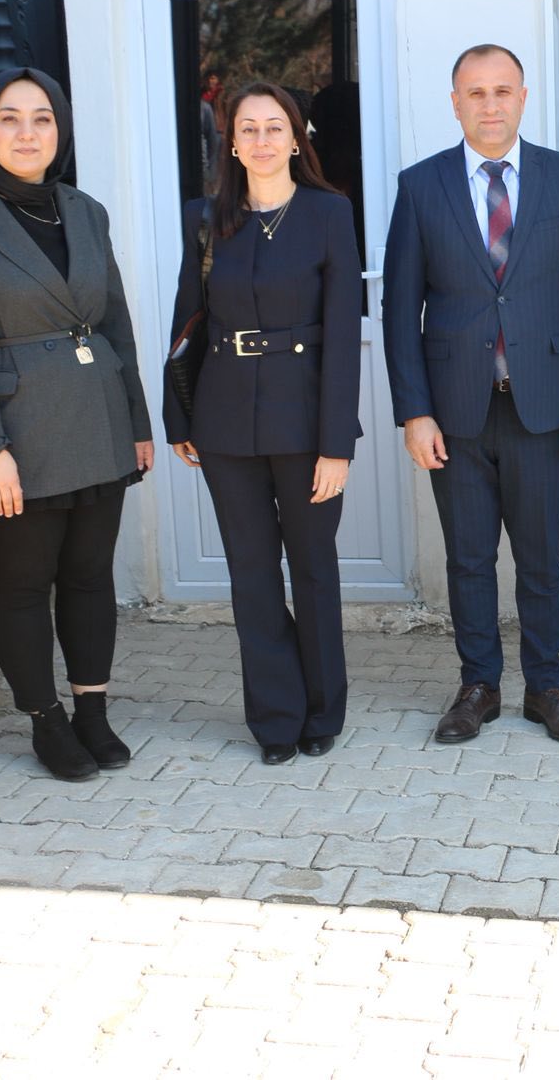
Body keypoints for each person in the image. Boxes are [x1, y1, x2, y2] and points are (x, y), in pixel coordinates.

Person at [0, 67, 155, 783]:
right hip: (11, 433)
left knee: (89, 578)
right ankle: (44, 720)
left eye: (42, 118)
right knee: (23, 586)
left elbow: (115, 321)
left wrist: (137, 418)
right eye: (11, 119)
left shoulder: (84, 210)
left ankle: (92, 711)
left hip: (97, 421)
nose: (28, 133)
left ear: (61, 129)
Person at [383, 44, 559, 745]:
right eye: (475, 93)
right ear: (455, 102)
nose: (490, 105)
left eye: (503, 91)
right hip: (454, 410)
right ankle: (478, 685)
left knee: (541, 556)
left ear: (523, 97)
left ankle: (546, 687)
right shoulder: (421, 186)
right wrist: (414, 410)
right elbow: (401, 308)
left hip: (545, 404)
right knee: (467, 557)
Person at [166, 82, 362, 765]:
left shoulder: (329, 214)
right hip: (224, 422)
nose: (260, 140)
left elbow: (343, 334)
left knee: (311, 569)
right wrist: (178, 415)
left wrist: (338, 443)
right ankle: (274, 718)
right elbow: (187, 317)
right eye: (246, 129)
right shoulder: (206, 217)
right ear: (231, 142)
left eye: (273, 127)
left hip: (307, 421)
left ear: (297, 135)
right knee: (252, 574)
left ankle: (322, 708)